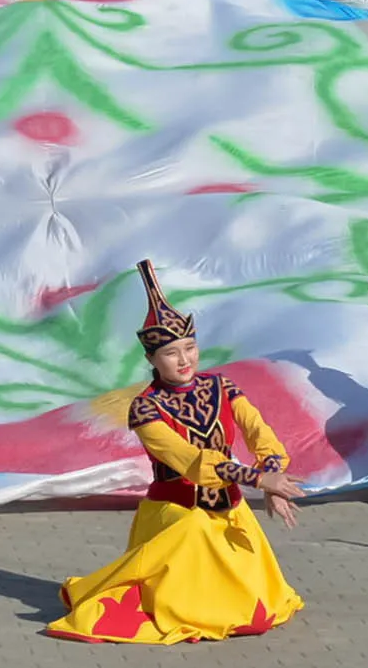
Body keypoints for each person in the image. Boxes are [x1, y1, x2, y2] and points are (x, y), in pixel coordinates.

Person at [48, 258, 303, 643]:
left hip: (229, 511)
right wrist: (256, 477)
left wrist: (269, 477)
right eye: (171, 353)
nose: (184, 360)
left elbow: (259, 433)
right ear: (151, 359)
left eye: (190, 348)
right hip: (176, 515)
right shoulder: (146, 408)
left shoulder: (222, 387)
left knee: (258, 608)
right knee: (195, 532)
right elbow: (189, 460)